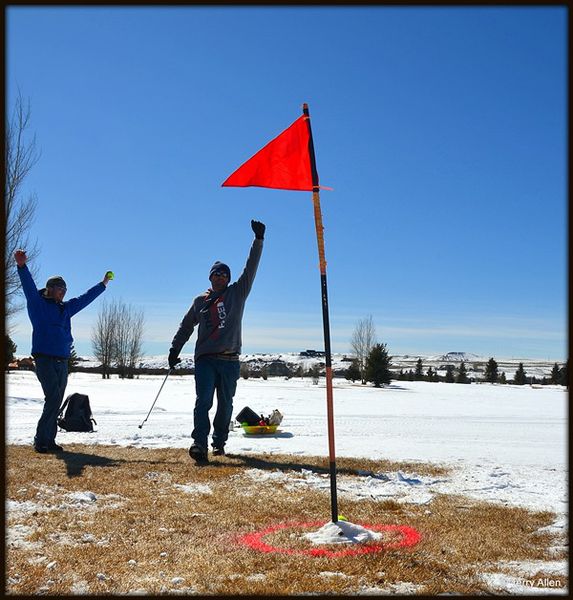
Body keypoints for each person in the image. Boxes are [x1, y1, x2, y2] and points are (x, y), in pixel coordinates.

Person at [169, 219, 265, 462]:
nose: (220, 277)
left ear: (228, 278)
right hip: (205, 360)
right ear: (210, 277)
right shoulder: (200, 301)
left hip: (230, 360)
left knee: (226, 405)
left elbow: (250, 269)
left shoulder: (238, 293)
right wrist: (174, 348)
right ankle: (199, 443)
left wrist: (258, 240)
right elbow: (186, 325)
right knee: (203, 401)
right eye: (216, 274)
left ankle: (219, 443)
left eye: (224, 274)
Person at [14, 249, 113, 453]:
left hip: (62, 360)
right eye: (60, 288)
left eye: (65, 288)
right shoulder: (37, 304)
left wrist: (102, 284)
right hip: (45, 359)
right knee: (52, 398)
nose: (63, 291)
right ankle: (41, 440)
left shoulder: (65, 309)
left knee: (57, 400)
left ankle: (49, 440)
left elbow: (85, 299)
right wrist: (22, 266)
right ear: (49, 289)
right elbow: (29, 286)